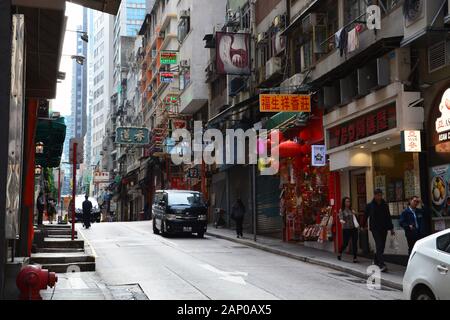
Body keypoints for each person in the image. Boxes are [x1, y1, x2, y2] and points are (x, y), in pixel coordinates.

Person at [365, 189, 395, 272]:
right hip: (375, 228)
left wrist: (391, 228)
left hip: (384, 228)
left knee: (382, 246)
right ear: (374, 195)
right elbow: (365, 216)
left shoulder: (384, 205)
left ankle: (375, 259)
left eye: (380, 195)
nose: (379, 197)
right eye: (378, 195)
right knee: (379, 244)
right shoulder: (370, 205)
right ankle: (381, 264)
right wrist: (362, 225)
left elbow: (388, 217)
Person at [338, 197, 359, 263]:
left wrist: (355, 214)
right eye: (347, 201)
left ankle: (355, 257)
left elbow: (356, 218)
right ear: (344, 202)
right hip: (346, 229)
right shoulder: (342, 210)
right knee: (345, 243)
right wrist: (341, 221)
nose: (348, 203)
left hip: (353, 228)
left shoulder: (351, 210)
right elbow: (340, 217)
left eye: (349, 201)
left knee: (355, 243)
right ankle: (340, 252)